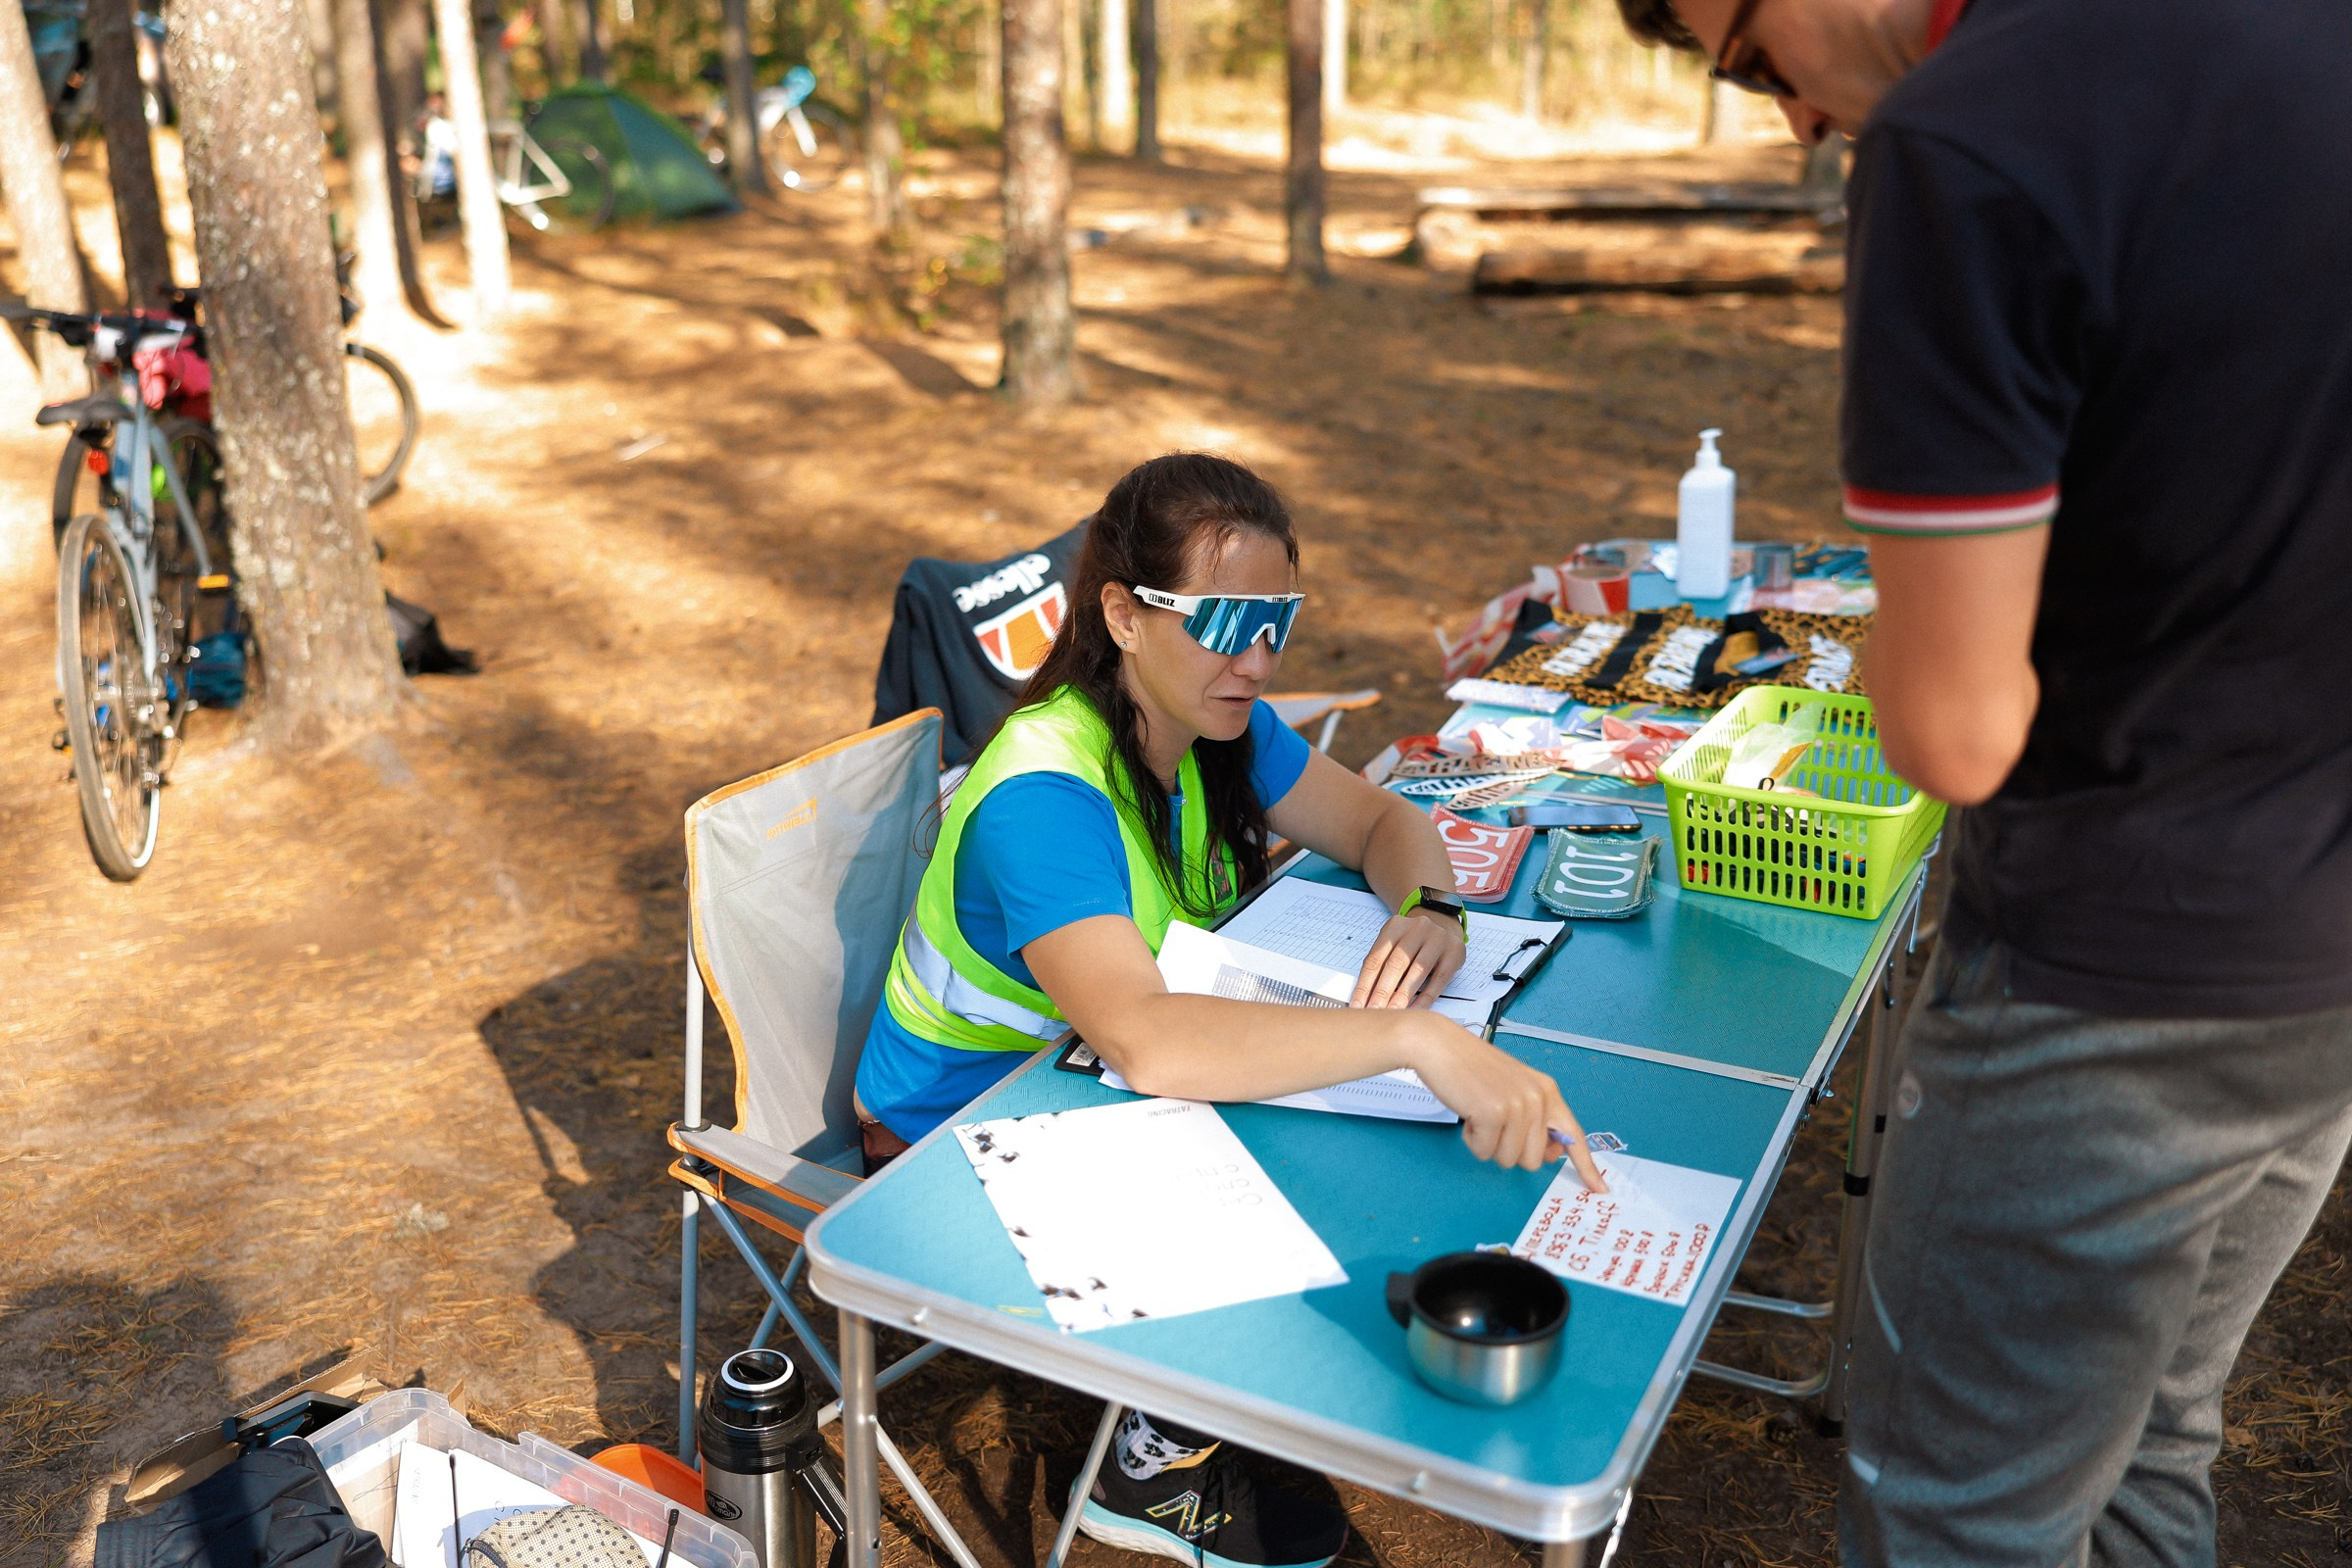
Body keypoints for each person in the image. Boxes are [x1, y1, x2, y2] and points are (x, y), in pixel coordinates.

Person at [1608, 0, 2352, 1564]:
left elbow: (1952, 738)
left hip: (2118, 982)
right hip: (2321, 953)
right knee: (2157, 1437)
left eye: (1746, 64)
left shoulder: (1967, 140)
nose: (1795, 124)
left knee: (1962, 1515)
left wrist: (1892, 648)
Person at [854, 452, 1606, 1568]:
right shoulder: (1044, 791)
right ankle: (1148, 1459)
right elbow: (1148, 1038)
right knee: (1337, 1142)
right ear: (1122, 612)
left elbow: (1383, 824)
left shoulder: (1216, 719)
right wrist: (1413, 1036)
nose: (1257, 661)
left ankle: (1208, 1416)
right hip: (953, 1134)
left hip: (1084, 1082)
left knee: (1332, 1133)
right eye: (1226, 622)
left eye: (1277, 624)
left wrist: (1435, 904)